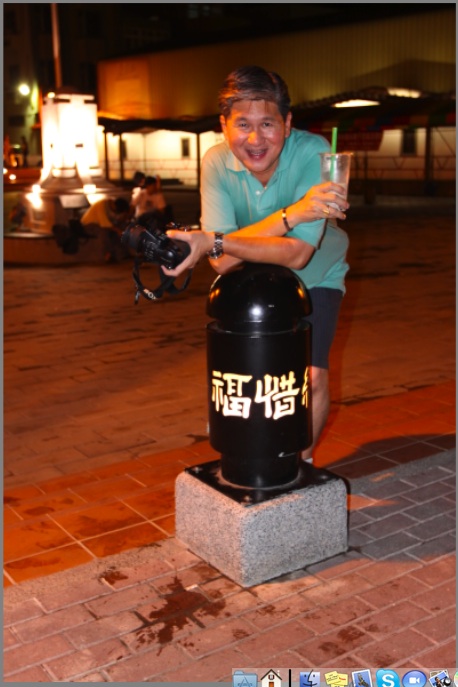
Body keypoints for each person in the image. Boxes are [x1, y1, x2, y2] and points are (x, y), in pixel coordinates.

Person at [165, 65, 350, 464]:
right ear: (223, 126)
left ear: (287, 123)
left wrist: (216, 241)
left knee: (311, 375)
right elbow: (222, 262)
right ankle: (258, 458)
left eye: (267, 124)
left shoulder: (314, 152)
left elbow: (298, 254)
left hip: (316, 275)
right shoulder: (216, 162)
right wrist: (292, 214)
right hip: (251, 279)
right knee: (252, 376)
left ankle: (301, 465)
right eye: (242, 124)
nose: (255, 139)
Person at [80, 196, 131, 263]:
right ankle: (107, 255)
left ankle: (123, 255)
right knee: (104, 232)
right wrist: (118, 230)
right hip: (89, 225)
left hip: (100, 225)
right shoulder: (102, 205)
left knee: (115, 231)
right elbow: (104, 223)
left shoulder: (112, 208)